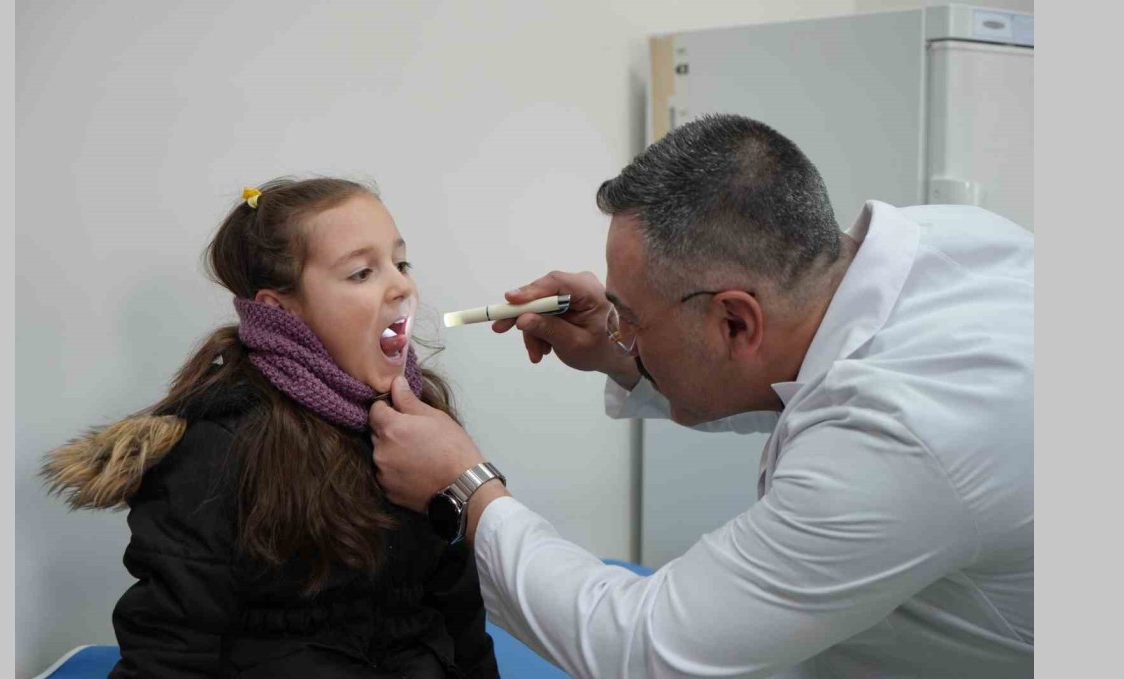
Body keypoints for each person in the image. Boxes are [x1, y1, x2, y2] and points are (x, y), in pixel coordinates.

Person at [369, 114, 1033, 677]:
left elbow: (642, 647)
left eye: (632, 318)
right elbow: (809, 384)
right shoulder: (944, 242)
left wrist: (465, 488)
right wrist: (618, 347)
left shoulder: (905, 434)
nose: (620, 329)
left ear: (736, 321)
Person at [41, 177, 499, 679]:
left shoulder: (424, 421)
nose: (402, 286)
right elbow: (170, 652)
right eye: (362, 272)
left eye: (401, 263)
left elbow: (460, 614)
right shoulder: (216, 449)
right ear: (279, 310)